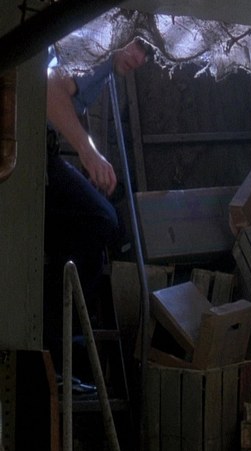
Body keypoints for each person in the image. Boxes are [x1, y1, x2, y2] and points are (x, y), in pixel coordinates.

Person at [43, 38, 150, 392]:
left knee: (96, 221)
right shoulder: (98, 46)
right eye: (137, 45)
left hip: (42, 150)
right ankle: (51, 349)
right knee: (99, 220)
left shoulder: (103, 62)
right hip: (30, 152)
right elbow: (50, 88)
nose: (139, 58)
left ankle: (58, 351)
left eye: (148, 53)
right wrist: (89, 153)